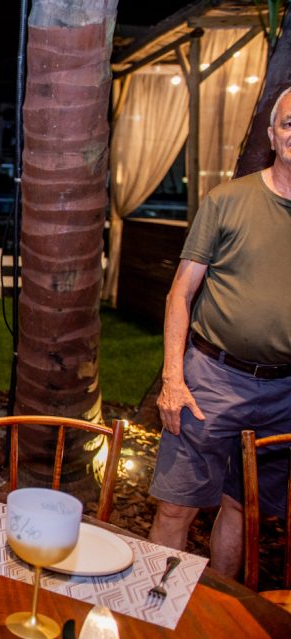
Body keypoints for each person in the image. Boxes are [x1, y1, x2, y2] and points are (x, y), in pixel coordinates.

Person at [149, 86, 291, 578]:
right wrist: (173, 376)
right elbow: (180, 294)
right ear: (272, 135)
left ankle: (214, 616)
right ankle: (158, 615)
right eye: (289, 124)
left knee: (244, 509)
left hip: (286, 391)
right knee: (176, 507)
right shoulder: (227, 201)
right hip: (212, 379)